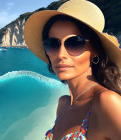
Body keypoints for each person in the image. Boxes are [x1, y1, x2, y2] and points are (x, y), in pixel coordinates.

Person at [24, 0, 121, 139]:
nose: (60, 54)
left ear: (95, 51)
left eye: (75, 43)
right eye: (52, 44)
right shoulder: (63, 104)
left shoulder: (106, 102)